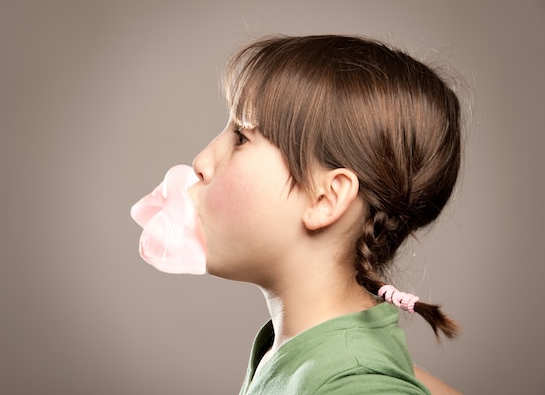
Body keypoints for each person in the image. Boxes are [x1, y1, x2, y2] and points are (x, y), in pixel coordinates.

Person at [188, 35, 462, 394]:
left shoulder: (357, 384)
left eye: (241, 137)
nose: (201, 163)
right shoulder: (300, 351)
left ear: (326, 198)